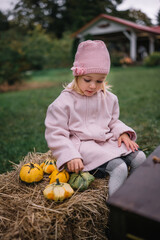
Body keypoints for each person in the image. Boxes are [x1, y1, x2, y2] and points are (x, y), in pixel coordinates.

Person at [45, 40, 146, 196]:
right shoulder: (63, 103)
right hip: (83, 147)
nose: (93, 86)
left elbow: (113, 121)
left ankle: (132, 196)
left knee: (140, 158)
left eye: (99, 81)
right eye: (88, 80)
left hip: (106, 141)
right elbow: (56, 133)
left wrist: (122, 133)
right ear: (77, 74)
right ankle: (115, 209)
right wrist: (70, 155)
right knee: (119, 168)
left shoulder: (108, 98)